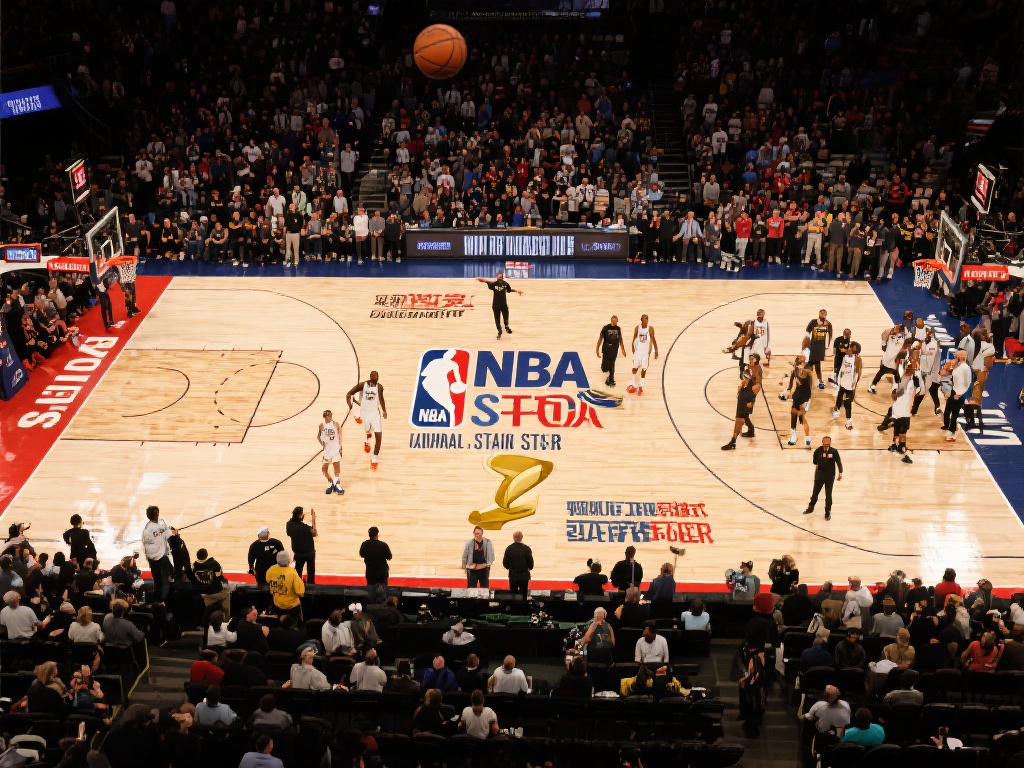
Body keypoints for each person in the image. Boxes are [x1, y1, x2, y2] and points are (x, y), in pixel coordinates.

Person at [346, 371, 388, 469]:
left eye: (376, 377)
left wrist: (384, 411)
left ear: (378, 378)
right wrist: (353, 411)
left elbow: (381, 399)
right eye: (373, 377)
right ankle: (367, 442)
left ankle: (374, 459)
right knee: (368, 431)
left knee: (378, 435)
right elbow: (349, 394)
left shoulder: (379, 387)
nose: (375, 379)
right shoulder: (362, 385)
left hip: (375, 413)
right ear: (370, 377)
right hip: (364, 413)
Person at [142, 505, 176, 603]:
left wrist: (170, 530)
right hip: (155, 557)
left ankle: (164, 596)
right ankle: (160, 600)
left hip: (160, 556)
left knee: (168, 574)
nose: (158, 514)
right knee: (159, 581)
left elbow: (165, 531)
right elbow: (151, 543)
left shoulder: (160, 522)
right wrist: (171, 533)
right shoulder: (148, 530)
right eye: (156, 513)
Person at [476, 271, 523, 340]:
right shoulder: (505, 283)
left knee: (497, 319)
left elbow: (485, 281)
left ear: (497, 277)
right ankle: (506, 327)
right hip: (503, 304)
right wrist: (517, 291)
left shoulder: (494, 283)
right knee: (505, 316)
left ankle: (500, 330)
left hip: (496, 305)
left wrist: (481, 279)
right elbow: (510, 290)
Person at [804, 436, 843, 520]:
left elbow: (838, 462)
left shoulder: (834, 451)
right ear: (822, 443)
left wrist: (840, 473)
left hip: (830, 476)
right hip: (820, 475)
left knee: (828, 495)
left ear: (830, 443)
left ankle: (827, 512)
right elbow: (815, 462)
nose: (826, 446)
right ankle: (811, 507)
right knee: (815, 493)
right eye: (824, 444)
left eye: (827, 444)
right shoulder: (818, 451)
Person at [832, 340, 862, 430]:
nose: (848, 349)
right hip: (843, 383)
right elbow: (841, 369)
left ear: (854, 349)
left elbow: (858, 373)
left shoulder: (857, 359)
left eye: (850, 348)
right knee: (839, 397)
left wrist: (854, 386)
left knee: (848, 403)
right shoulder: (845, 357)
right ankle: (836, 409)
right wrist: (838, 381)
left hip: (850, 385)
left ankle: (849, 421)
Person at [738, 643, 768, 737]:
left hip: (755, 689)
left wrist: (747, 682)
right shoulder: (756, 658)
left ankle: (752, 728)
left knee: (753, 707)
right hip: (755, 686)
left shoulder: (757, 658)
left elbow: (755, 673)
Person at [265, 551, 305, 621]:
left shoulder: (270, 570)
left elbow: (268, 581)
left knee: (281, 622)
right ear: (289, 561)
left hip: (277, 604)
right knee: (294, 623)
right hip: (291, 606)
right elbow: (300, 592)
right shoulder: (292, 572)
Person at [192, 548, 230, 618]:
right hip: (215, 592)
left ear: (197, 556)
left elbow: (193, 579)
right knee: (227, 591)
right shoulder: (214, 564)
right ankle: (226, 617)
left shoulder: (194, 566)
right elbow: (219, 576)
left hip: (201, 593)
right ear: (206, 555)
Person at [627, 314, 659, 395]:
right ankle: (632, 383)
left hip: (645, 352)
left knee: (644, 369)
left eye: (646, 319)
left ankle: (641, 386)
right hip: (638, 351)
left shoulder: (650, 328)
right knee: (634, 368)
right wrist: (632, 348)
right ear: (641, 319)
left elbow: (653, 339)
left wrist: (656, 350)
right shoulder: (637, 328)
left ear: (647, 320)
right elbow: (634, 338)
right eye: (643, 319)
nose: (644, 320)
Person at [786, 357, 814, 447]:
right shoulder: (795, 370)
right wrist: (788, 391)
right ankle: (802, 437)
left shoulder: (807, 370)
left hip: (805, 396)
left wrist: (802, 370)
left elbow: (809, 373)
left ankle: (802, 437)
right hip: (797, 396)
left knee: (801, 418)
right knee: (795, 416)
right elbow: (791, 381)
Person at [286, 506, 317, 583]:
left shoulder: (289, 525)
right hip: (309, 552)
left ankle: (297, 585)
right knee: (311, 571)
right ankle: (311, 585)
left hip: (298, 552)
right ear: (300, 515)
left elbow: (289, 533)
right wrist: (313, 520)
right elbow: (314, 533)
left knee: (298, 571)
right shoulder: (306, 528)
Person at [316, 410, 344, 494]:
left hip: (335, 449)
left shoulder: (335, 424)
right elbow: (318, 436)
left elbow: (340, 434)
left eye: (329, 416)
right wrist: (323, 445)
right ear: (324, 417)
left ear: (331, 416)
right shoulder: (321, 425)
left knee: (336, 467)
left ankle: (337, 485)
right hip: (327, 450)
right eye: (326, 416)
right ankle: (330, 481)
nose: (328, 418)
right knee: (324, 468)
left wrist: (340, 446)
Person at [805, 309, 834, 389]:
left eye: (824, 314)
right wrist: (807, 342)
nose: (823, 315)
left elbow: (830, 335)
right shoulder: (813, 322)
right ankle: (817, 381)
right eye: (822, 313)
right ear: (819, 314)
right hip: (813, 345)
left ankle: (814, 380)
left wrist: (828, 345)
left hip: (821, 347)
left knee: (816, 363)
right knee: (813, 362)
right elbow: (807, 331)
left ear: (826, 314)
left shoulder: (828, 324)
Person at [596, 315, 627, 388]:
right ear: (611, 320)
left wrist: (623, 349)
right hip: (606, 348)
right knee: (605, 367)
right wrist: (597, 349)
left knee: (612, 363)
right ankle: (604, 369)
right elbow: (600, 338)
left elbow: (620, 339)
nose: (616, 322)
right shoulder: (605, 328)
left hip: (614, 349)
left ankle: (611, 379)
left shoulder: (618, 329)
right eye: (614, 321)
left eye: (616, 321)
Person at [501, 530, 534, 598]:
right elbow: (531, 564)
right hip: (524, 576)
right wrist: (529, 568)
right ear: (522, 537)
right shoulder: (527, 549)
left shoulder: (509, 548)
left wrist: (510, 568)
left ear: (513, 538)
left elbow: (505, 563)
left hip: (513, 576)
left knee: (513, 597)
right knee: (523, 596)